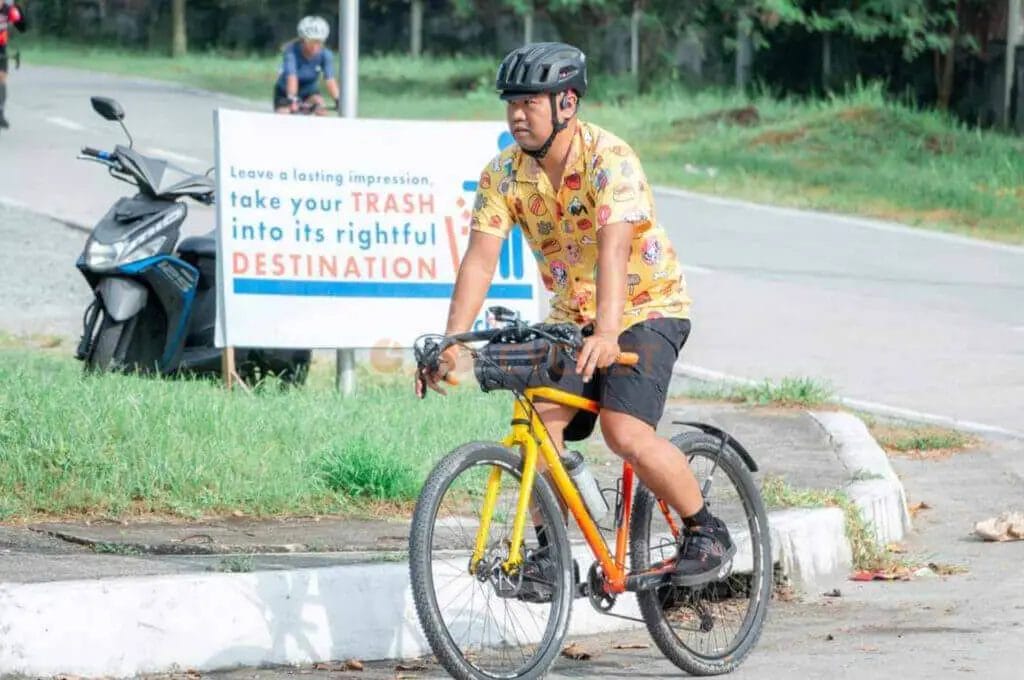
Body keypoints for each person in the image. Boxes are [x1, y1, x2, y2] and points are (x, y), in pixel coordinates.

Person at [418, 42, 734, 586]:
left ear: (566, 103)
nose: (518, 114)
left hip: (647, 307)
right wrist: (451, 341)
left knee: (623, 431)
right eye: (511, 103)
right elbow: (479, 260)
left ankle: (706, 530)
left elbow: (614, 249)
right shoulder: (502, 175)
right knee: (539, 422)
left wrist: (610, 332)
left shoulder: (609, 159)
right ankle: (549, 558)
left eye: (530, 103)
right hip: (572, 316)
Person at [273, 15, 340, 116]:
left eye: (318, 42)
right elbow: (292, 77)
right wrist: (292, 99)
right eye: (311, 42)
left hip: (309, 92)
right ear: (303, 40)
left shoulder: (326, 54)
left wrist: (338, 99)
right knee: (284, 116)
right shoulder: (291, 52)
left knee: (320, 108)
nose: (314, 46)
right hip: (285, 91)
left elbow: (330, 79)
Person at [0, 0, 27, 129]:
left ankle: (0, 113)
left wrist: (18, 10)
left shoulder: (8, 9)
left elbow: (22, 28)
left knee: (2, 79)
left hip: (1, 47)